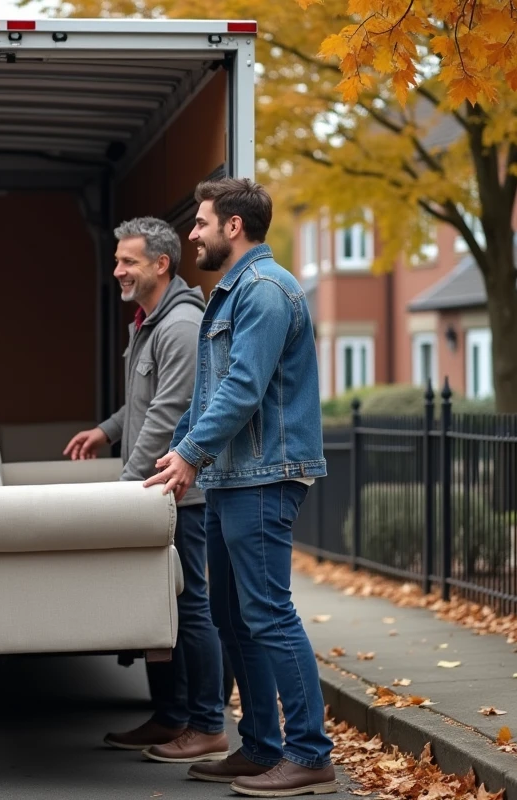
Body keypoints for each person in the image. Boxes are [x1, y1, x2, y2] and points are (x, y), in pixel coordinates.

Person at [145, 178, 337, 797]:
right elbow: (207, 395)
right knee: (233, 615)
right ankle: (259, 748)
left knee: (268, 613)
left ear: (233, 226)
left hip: (264, 474)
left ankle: (309, 755)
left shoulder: (262, 290)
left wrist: (191, 455)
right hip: (233, 475)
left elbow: (243, 389)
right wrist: (177, 452)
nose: (192, 234)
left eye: (200, 223)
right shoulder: (228, 295)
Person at [65, 217, 229, 764]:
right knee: (164, 604)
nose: (117, 270)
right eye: (117, 260)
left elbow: (168, 414)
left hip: (180, 494)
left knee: (192, 607)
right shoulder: (151, 321)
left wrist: (125, 486)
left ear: (161, 264)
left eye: (127, 261)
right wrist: (106, 430)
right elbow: (142, 405)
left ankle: (206, 724)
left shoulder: (180, 326)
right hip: (158, 487)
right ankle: (170, 718)